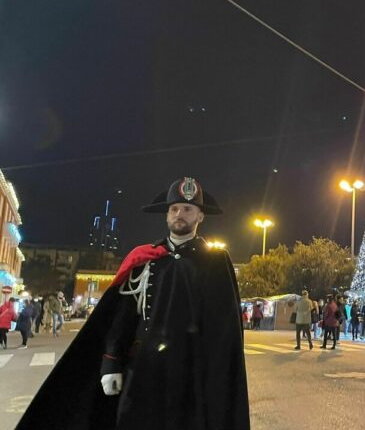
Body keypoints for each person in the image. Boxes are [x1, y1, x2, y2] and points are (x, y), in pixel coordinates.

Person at [18, 177, 250, 429]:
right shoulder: (146, 259)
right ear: (166, 215)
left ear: (200, 216)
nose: (179, 214)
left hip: (191, 375)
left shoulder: (214, 262)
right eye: (174, 209)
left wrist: (216, 382)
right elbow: (122, 317)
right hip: (142, 370)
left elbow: (225, 332)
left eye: (187, 209)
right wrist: (110, 363)